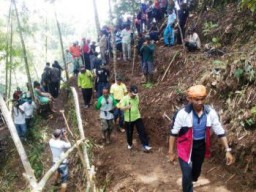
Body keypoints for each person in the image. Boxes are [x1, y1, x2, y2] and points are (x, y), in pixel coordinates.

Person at [168, 85, 234, 192]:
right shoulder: (182, 114)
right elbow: (173, 133)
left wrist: (228, 150)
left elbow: (220, 131)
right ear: (190, 99)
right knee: (187, 173)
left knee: (196, 172)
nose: (199, 102)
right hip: (184, 147)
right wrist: (171, 152)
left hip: (200, 146)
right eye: (196, 99)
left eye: (202, 99)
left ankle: (192, 181)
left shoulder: (210, 113)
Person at [118, 85, 152, 151]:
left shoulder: (137, 96)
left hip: (137, 117)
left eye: (135, 94)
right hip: (129, 119)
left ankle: (145, 145)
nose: (134, 95)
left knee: (142, 131)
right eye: (133, 94)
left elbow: (137, 105)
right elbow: (121, 108)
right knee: (129, 133)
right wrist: (127, 107)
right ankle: (129, 143)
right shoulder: (124, 98)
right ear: (129, 92)